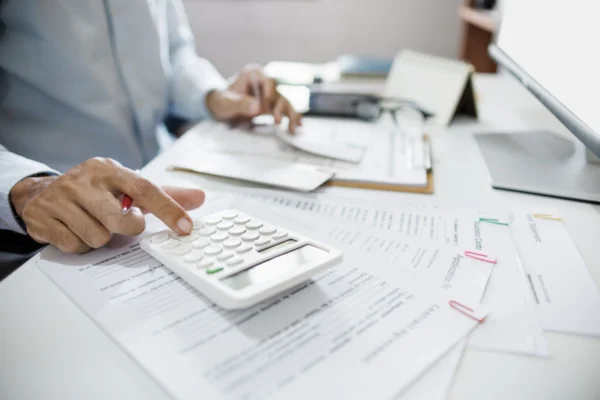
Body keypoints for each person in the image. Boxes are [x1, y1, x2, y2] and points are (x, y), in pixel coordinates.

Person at [0, 0, 301, 257]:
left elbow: (175, 51)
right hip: (52, 218)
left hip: (161, 175)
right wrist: (27, 188)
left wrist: (212, 95)